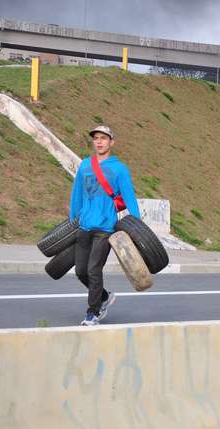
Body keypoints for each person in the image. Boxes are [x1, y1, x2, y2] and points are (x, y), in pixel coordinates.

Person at [69, 125, 141, 326]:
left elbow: (129, 198)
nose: (99, 141)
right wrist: (73, 218)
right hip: (84, 225)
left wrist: (138, 229)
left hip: (105, 228)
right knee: (80, 271)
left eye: (103, 138)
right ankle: (104, 296)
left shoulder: (119, 169)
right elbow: (77, 194)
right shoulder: (85, 165)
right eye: (96, 138)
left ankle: (92, 313)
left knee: (93, 269)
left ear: (112, 142)